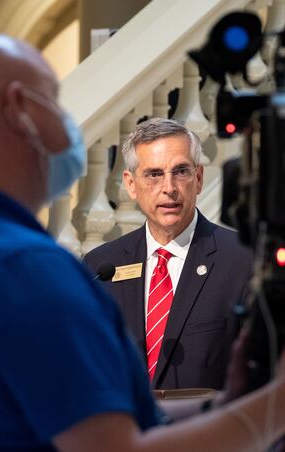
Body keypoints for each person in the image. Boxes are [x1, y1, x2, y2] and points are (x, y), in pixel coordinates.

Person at [0, 31, 285, 451]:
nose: (168, 187)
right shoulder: (19, 266)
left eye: (180, 173)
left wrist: (231, 400)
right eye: (54, 101)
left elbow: (108, 422)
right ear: (20, 108)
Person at [83, 118, 252, 390]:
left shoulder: (242, 260)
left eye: (181, 171)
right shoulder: (101, 268)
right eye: (154, 174)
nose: (169, 188)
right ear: (130, 184)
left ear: (198, 178)